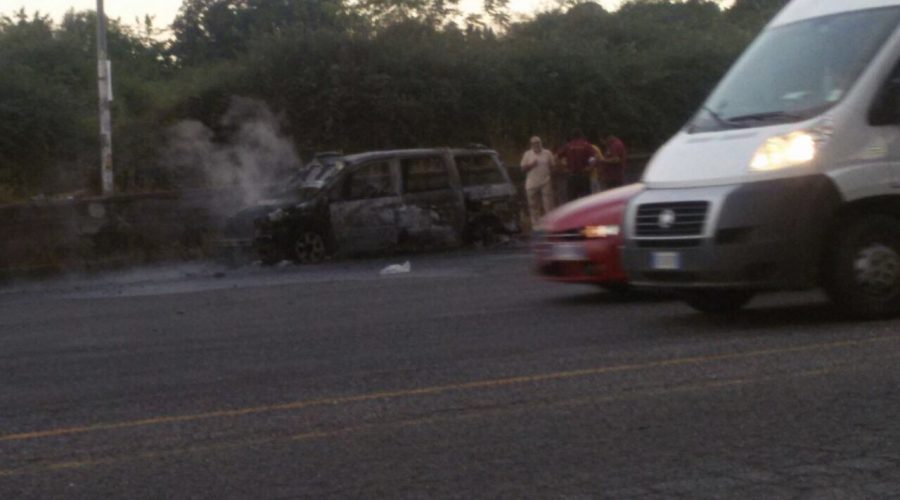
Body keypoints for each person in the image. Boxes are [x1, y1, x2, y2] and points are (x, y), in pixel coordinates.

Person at [520, 136, 555, 229]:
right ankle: (536, 226)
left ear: (541, 143)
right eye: (534, 143)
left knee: (548, 204)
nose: (536, 145)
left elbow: (552, 166)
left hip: (545, 181)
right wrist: (530, 165)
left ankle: (550, 224)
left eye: (538, 143)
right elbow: (522, 169)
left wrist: (550, 176)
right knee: (533, 205)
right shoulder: (527, 154)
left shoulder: (547, 153)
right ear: (531, 145)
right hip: (531, 183)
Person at [555, 129, 597, 201]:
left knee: (572, 200)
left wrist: (562, 167)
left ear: (572, 136)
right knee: (585, 200)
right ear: (581, 135)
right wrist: (590, 167)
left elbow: (556, 157)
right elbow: (593, 157)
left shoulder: (568, 146)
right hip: (584, 175)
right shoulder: (586, 145)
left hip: (571, 176)